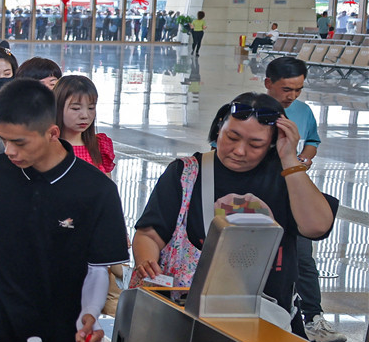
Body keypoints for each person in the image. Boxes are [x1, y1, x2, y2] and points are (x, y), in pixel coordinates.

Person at [131, 93, 338, 325]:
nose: (239, 150)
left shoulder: (287, 180)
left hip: (268, 315)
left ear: (272, 143)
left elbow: (316, 227)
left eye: (255, 144)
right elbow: (150, 233)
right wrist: (147, 261)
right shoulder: (187, 173)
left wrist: (290, 159)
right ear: (220, 127)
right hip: (188, 312)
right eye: (232, 137)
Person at [0, 79, 129, 342]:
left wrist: (89, 313)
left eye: (19, 142)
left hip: (60, 335)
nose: (9, 151)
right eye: (4, 140)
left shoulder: (96, 190)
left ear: (52, 133)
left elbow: (97, 269)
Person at [262, 57, 342, 342]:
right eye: (286, 89)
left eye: (298, 89)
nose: (292, 96)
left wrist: (304, 158)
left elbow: (313, 141)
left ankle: (312, 316)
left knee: (303, 258)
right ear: (268, 83)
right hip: (257, 198)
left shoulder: (303, 111)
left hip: (292, 195)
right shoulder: (249, 110)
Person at [54, 74, 113, 174]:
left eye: (91, 108)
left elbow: (108, 187)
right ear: (58, 108)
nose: (85, 115)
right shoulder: (47, 148)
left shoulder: (100, 146)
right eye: (76, 108)